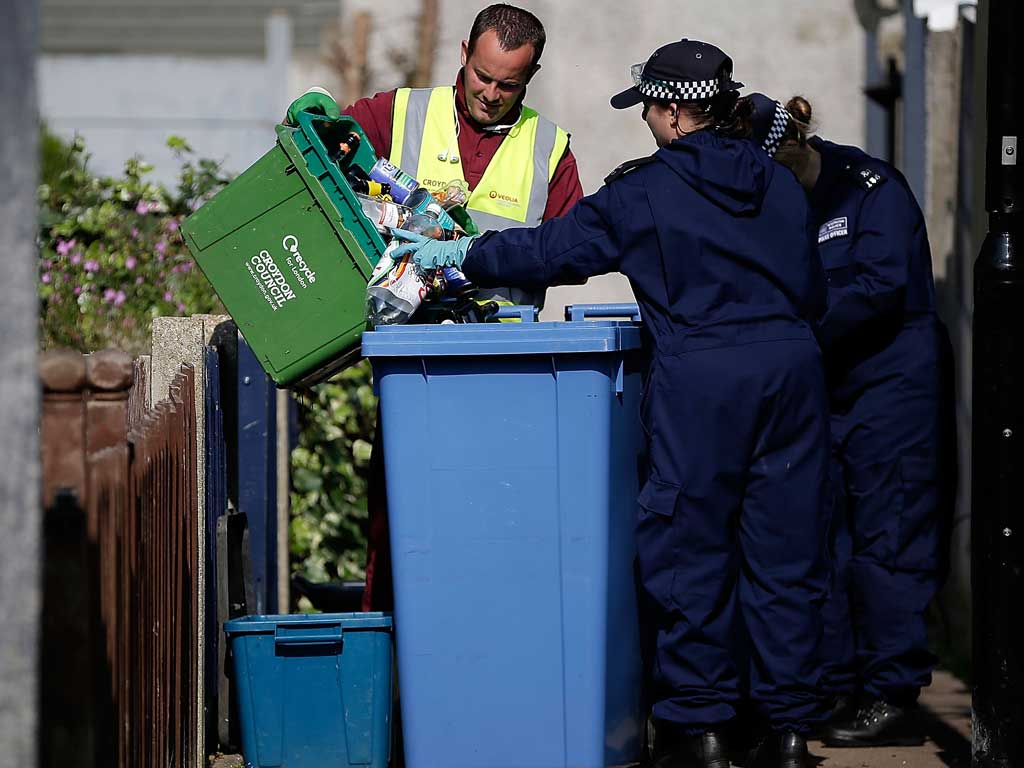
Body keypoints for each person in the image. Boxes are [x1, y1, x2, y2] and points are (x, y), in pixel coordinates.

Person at [390, 40, 832, 768]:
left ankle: (703, 730)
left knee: (691, 549)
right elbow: (814, 293)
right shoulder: (782, 184)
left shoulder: (646, 191)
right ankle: (786, 731)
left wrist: (457, 256)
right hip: (792, 373)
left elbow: (553, 251)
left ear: (669, 111)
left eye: (650, 110)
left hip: (702, 380)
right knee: (786, 552)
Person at [285, 4, 584, 612]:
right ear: (465, 55)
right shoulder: (402, 113)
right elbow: (324, 148)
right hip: (412, 367)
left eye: (510, 84)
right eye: (483, 75)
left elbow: (571, 254)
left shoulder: (549, 150)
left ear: (531, 77)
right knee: (400, 532)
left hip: (503, 375)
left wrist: (482, 254)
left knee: (490, 532)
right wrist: (314, 117)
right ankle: (397, 684)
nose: (492, 94)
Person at [747, 93, 956, 747]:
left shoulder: (870, 190)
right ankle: (837, 685)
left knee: (887, 540)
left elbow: (877, 288)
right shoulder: (774, 206)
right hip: (826, 388)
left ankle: (890, 694)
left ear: (792, 147)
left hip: (892, 387)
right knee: (826, 539)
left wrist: (791, 336)